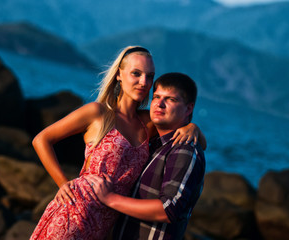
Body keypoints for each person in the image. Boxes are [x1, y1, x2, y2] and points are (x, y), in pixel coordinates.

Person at [29, 47, 205, 240]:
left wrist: (192, 127)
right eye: (136, 74)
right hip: (75, 212)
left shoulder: (148, 122)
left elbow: (196, 142)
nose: (144, 82)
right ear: (119, 75)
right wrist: (63, 183)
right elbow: (41, 140)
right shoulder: (98, 113)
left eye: (149, 76)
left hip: (107, 222)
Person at [87, 72, 206, 240]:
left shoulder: (183, 149)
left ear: (189, 108)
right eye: (156, 96)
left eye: (171, 99)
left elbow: (168, 209)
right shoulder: (155, 143)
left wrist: (110, 199)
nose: (160, 104)